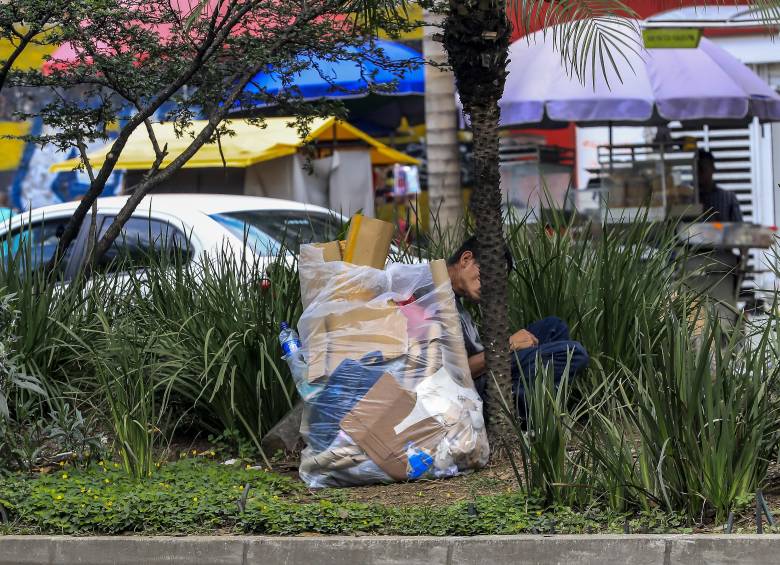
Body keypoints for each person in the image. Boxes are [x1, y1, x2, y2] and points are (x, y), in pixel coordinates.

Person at [446, 236, 589, 415]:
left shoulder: (451, 296)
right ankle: (518, 410)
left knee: (554, 326)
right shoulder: (432, 300)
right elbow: (450, 374)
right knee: (573, 353)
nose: (490, 287)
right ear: (466, 259)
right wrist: (507, 346)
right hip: (474, 390)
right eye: (487, 276)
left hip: (484, 369)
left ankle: (537, 403)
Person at [696, 149, 742, 223]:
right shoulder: (690, 199)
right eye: (696, 170)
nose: (698, 174)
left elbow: (738, 226)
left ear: (712, 168)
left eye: (702, 169)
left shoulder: (728, 198)